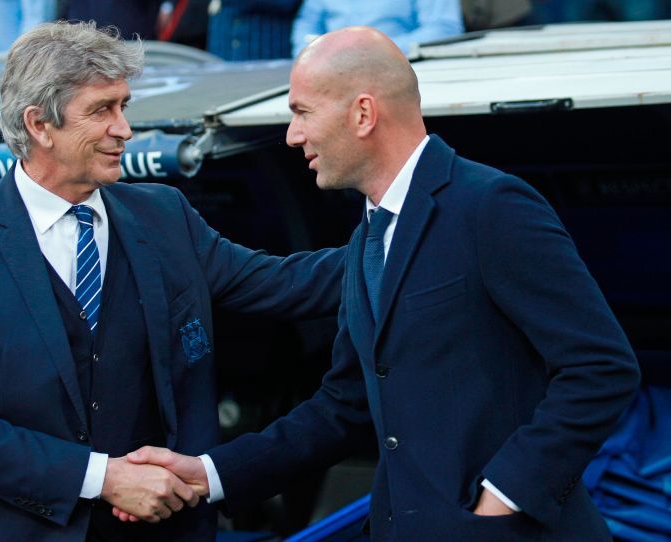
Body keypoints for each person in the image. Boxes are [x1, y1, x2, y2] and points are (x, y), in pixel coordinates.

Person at [121, 26, 642, 540]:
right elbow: (344, 407)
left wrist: (502, 498)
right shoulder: (370, 236)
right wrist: (213, 472)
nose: (291, 135)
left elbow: (601, 368)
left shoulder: (492, 207)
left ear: (363, 114)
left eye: (302, 112)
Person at [0, 21, 344, 542]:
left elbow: (287, 284)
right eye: (101, 110)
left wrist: (406, 239)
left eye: (123, 106)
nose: (124, 129)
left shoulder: (165, 215)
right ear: (39, 125)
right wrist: (104, 478)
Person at [291, 0, 464, 57]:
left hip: (403, 72)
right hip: (331, 72)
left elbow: (444, 29)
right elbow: (306, 23)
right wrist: (308, 53)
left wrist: (371, 50)